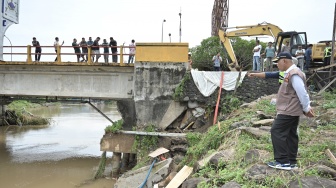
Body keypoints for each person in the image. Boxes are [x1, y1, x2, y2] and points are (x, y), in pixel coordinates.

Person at [248, 52, 315, 170]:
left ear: (284, 61)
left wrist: (307, 108)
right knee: (290, 134)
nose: (276, 65)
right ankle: (291, 161)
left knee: (276, 131)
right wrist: (255, 74)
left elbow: (303, 93)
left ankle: (282, 161)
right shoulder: (289, 73)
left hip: (288, 110)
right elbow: (270, 74)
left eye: (277, 62)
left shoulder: (294, 74)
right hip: (291, 110)